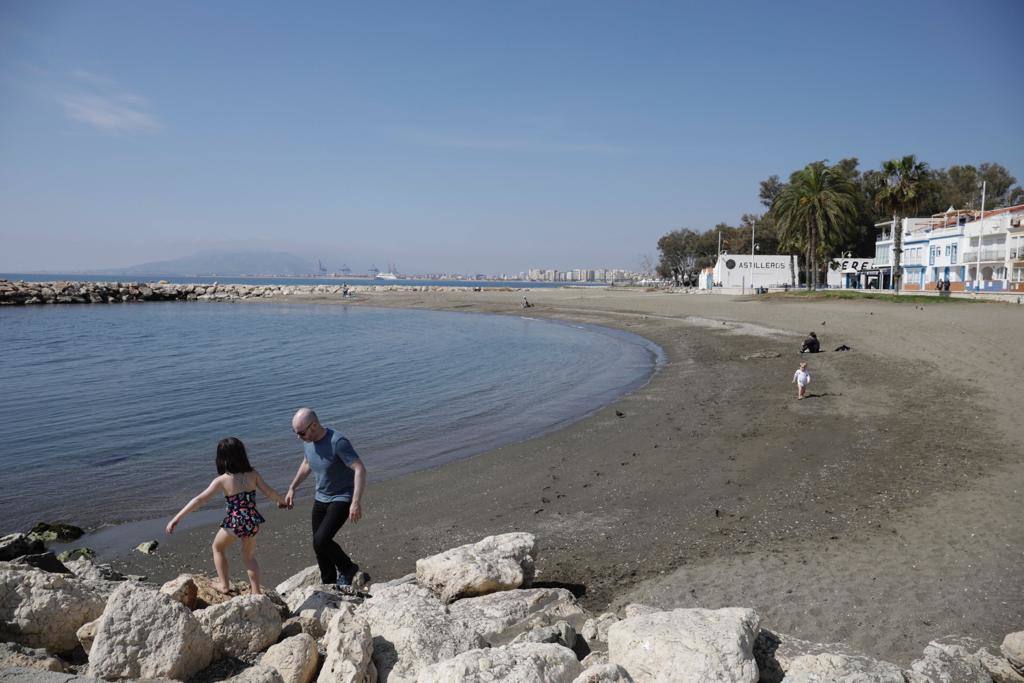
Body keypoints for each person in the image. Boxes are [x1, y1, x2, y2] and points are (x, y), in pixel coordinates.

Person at [166, 437, 286, 595]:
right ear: (242, 454)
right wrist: (281, 501)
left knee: (218, 547)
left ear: (221, 458)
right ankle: (256, 592)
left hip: (235, 522)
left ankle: (224, 585)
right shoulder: (253, 474)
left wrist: (177, 518)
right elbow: (269, 492)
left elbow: (199, 500)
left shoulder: (222, 480)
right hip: (252, 520)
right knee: (249, 557)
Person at [285, 408, 368, 588]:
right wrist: (293, 487)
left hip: (342, 497)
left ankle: (348, 568)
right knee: (318, 545)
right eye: (295, 433)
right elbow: (307, 463)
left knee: (322, 539)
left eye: (301, 432)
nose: (298, 437)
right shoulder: (308, 440)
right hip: (321, 496)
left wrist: (355, 501)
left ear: (313, 425)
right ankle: (328, 583)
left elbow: (359, 468)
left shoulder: (338, 442)